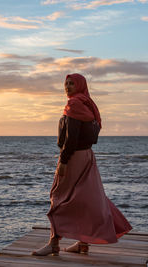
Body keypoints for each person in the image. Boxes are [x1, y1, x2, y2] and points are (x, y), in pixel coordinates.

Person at [32, 73, 132, 256]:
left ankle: (53, 243)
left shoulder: (74, 104)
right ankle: (83, 243)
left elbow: (71, 137)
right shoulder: (88, 104)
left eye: (72, 84)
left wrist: (63, 160)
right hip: (87, 157)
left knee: (58, 198)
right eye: (66, 83)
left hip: (74, 158)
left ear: (79, 86)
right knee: (87, 199)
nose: (67, 87)